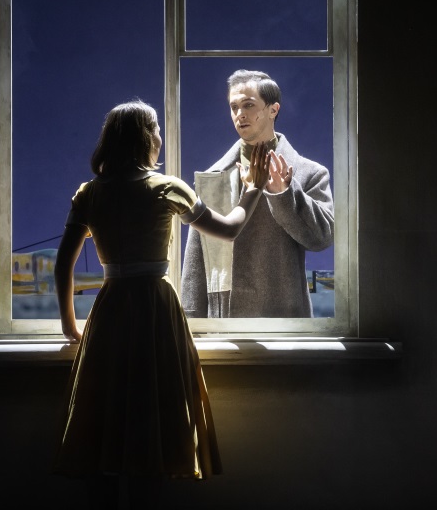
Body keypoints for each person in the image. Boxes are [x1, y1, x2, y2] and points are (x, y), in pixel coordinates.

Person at [51, 99, 271, 509]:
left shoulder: (90, 193)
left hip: (110, 310)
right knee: (151, 418)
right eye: (155, 128)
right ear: (144, 138)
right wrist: (253, 189)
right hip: (154, 308)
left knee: (104, 423)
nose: (160, 136)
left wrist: (69, 325)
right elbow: (228, 230)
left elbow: (63, 263)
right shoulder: (167, 188)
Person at [181, 69, 335, 319]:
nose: (239, 114)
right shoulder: (213, 176)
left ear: (273, 109)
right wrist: (190, 323)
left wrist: (285, 193)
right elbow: (196, 264)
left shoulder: (310, 173)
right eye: (234, 107)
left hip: (283, 319)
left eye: (248, 105)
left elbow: (322, 238)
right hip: (224, 322)